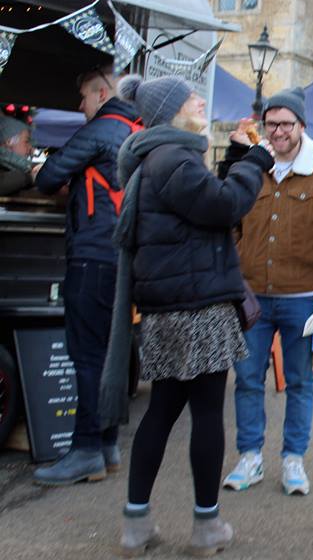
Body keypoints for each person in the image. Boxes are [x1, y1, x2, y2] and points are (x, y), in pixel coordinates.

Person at [104, 74, 273, 556]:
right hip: (196, 306)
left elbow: (201, 204)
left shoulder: (158, 157)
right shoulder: (173, 157)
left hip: (170, 305)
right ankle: (205, 526)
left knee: (162, 410)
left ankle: (137, 523)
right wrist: (256, 161)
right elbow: (223, 206)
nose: (201, 101)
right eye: (191, 97)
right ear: (171, 111)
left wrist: (238, 157)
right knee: (204, 413)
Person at [221, 87, 313, 497]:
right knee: (247, 379)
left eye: (286, 124)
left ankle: (293, 459)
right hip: (253, 296)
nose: (278, 132)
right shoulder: (252, 165)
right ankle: (250, 457)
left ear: (302, 126)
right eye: (271, 124)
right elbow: (231, 221)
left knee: (299, 382)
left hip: (304, 298)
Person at [32, 66, 140, 486]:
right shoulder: (138, 130)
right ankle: (107, 445)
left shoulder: (101, 129)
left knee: (87, 356)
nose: (80, 106)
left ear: (101, 93)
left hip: (92, 256)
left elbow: (46, 178)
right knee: (112, 355)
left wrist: (71, 177)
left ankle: (86, 451)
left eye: (83, 97)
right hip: (122, 262)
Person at [0, 114, 40, 196]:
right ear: (9, 142)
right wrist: (31, 176)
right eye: (26, 141)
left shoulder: (12, 168)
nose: (31, 149)